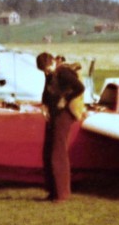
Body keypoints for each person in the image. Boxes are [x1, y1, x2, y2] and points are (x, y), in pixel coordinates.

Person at [37, 53, 86, 202]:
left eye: (47, 69)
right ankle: (52, 191)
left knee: (58, 152)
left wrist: (65, 99)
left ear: (52, 62)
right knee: (48, 150)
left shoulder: (63, 72)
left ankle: (61, 193)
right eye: (43, 71)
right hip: (53, 111)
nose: (46, 72)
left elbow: (80, 87)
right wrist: (44, 105)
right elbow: (47, 89)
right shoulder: (51, 73)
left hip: (64, 113)